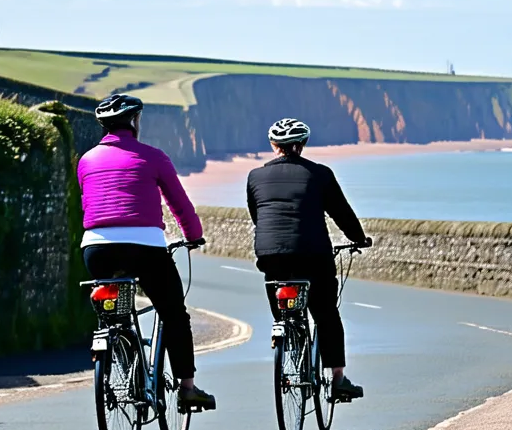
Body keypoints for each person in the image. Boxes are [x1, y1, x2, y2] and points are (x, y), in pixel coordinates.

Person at [77, 94, 216, 411]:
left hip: (96, 248)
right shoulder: (152, 156)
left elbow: (92, 203)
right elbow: (179, 204)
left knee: (115, 315)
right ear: (135, 122)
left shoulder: (86, 160)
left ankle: (128, 367)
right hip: (145, 247)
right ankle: (187, 388)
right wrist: (193, 236)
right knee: (174, 315)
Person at [246, 118, 371, 400]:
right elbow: (342, 213)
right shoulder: (320, 174)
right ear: (302, 145)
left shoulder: (255, 176)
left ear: (273, 145)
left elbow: (258, 215)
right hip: (313, 255)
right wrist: (358, 238)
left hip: (270, 254)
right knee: (326, 313)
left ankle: (287, 338)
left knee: (284, 308)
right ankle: (338, 378)